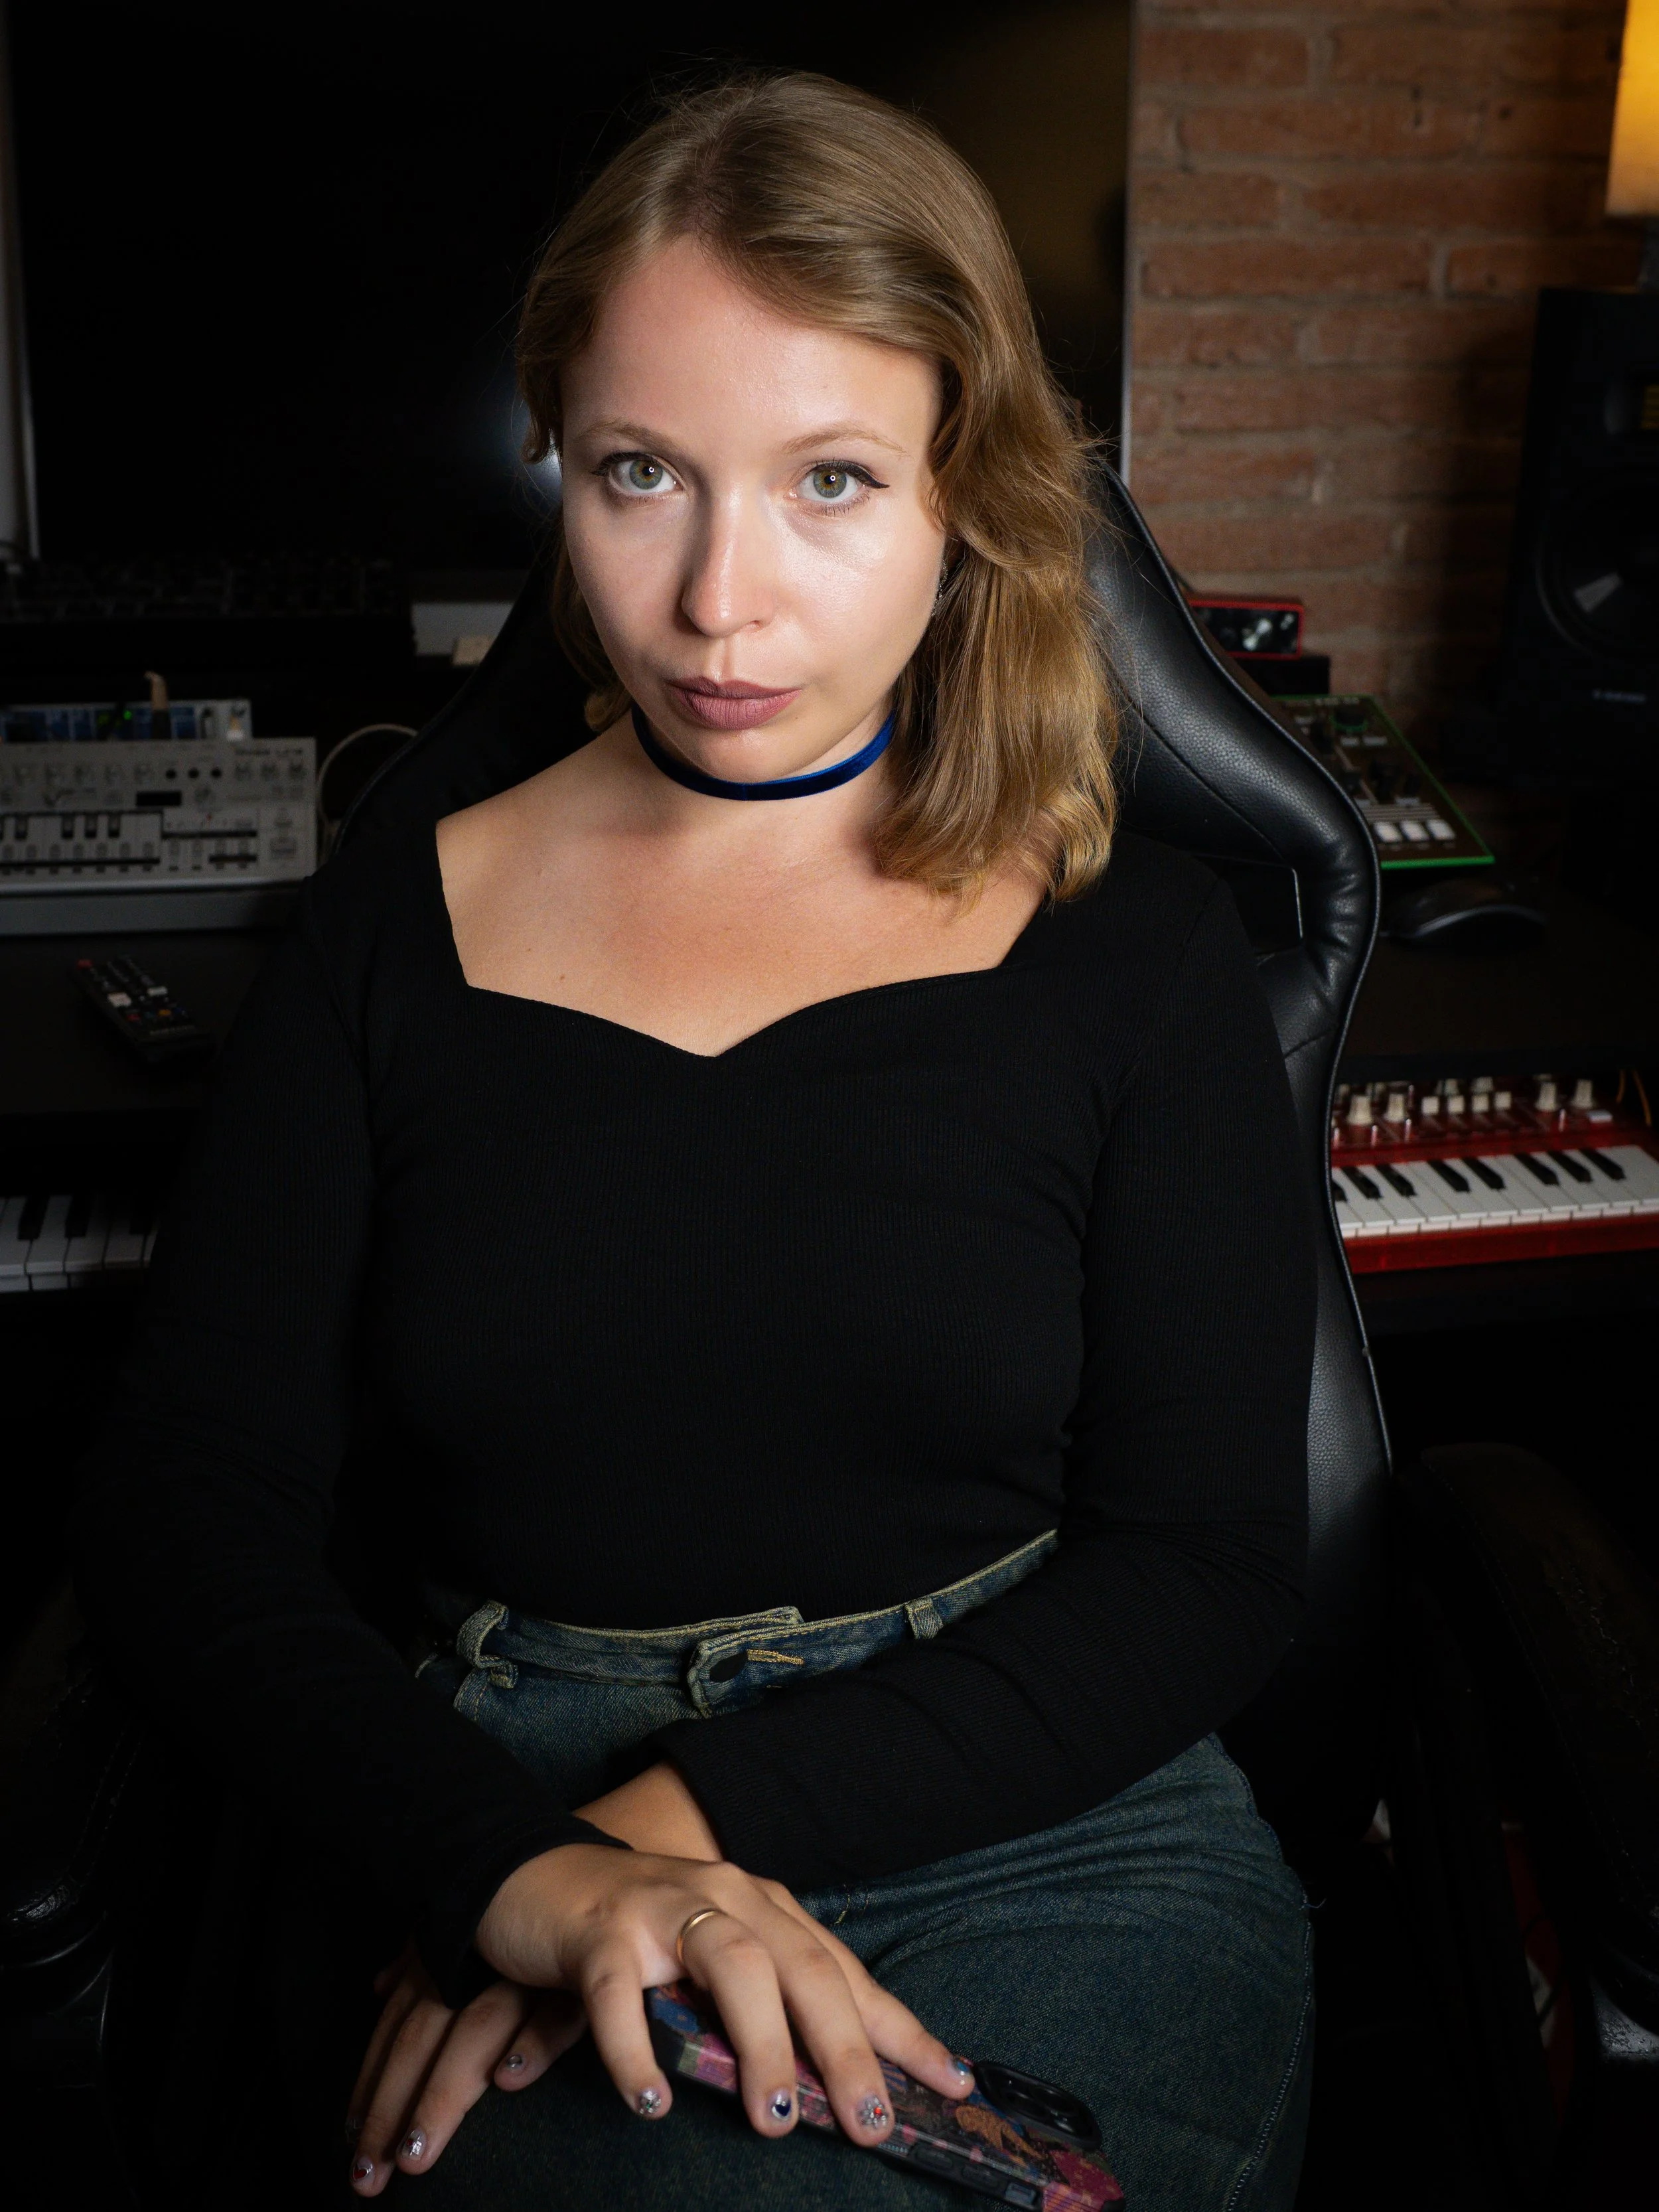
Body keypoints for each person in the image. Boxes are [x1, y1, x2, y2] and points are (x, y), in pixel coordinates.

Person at [74, 70, 1317, 2211]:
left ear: (968, 495)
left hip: (1035, 1809)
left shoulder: (1145, 947)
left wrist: (667, 1834)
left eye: (830, 480)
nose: (718, 602)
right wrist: (518, 1869)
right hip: (484, 1790)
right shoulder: (397, 911)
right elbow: (194, 1515)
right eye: (640, 475)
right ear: (558, 464)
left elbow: (1204, 1562)